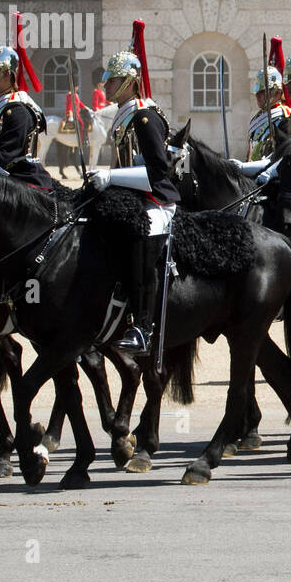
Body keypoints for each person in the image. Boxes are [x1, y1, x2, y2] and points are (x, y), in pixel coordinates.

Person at [87, 19, 182, 353]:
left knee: (141, 240)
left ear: (130, 81)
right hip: (132, 199)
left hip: (156, 203)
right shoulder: (124, 116)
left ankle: (143, 326)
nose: (108, 85)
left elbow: (156, 174)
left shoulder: (144, 117)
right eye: (108, 80)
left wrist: (109, 177)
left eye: (113, 80)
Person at [0, 26, 54, 188]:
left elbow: (6, 155)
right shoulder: (5, 105)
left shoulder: (17, 110)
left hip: (25, 179)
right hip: (10, 179)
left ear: (7, 74)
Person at [232, 36, 291, 176]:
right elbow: (251, 151)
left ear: (278, 93)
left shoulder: (285, 116)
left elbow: (281, 154)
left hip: (273, 174)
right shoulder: (257, 117)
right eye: (257, 92)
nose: (258, 96)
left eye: (263, 92)